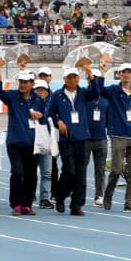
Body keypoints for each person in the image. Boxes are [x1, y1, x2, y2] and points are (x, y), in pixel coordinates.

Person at [47, 66, 99, 216]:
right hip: (66, 138)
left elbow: (96, 92)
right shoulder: (57, 95)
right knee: (69, 170)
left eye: (74, 77)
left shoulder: (83, 93)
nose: (72, 79)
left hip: (82, 138)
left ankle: (77, 204)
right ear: (64, 79)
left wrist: (91, 75)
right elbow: (50, 113)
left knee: (80, 173)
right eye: (69, 77)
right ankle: (61, 196)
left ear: (78, 78)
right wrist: (59, 122)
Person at [0, 69, 45, 216]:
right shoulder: (12, 96)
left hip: (33, 143)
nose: (22, 85)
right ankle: (16, 204)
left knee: (31, 174)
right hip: (15, 142)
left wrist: (40, 115)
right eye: (20, 82)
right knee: (17, 172)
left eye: (25, 82)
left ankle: (27, 204)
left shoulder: (38, 100)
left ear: (32, 84)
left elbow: (44, 117)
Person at [96, 62, 131, 213]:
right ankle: (108, 195)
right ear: (119, 74)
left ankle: (129, 203)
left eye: (129, 72)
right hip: (118, 135)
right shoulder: (112, 91)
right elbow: (98, 90)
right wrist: (102, 73)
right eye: (123, 72)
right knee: (116, 170)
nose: (126, 74)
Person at [84, 69, 108, 207]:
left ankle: (99, 195)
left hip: (101, 138)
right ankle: (79, 192)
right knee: (82, 167)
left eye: (98, 78)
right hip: (86, 138)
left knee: (100, 169)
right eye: (92, 78)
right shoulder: (84, 95)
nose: (95, 80)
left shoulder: (105, 99)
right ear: (88, 79)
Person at [32, 79, 53, 209]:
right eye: (37, 90)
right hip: (31, 139)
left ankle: (44, 198)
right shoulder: (29, 103)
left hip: (47, 139)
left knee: (46, 172)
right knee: (30, 171)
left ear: (47, 92)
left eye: (42, 90)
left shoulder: (52, 104)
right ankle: (29, 194)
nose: (40, 92)